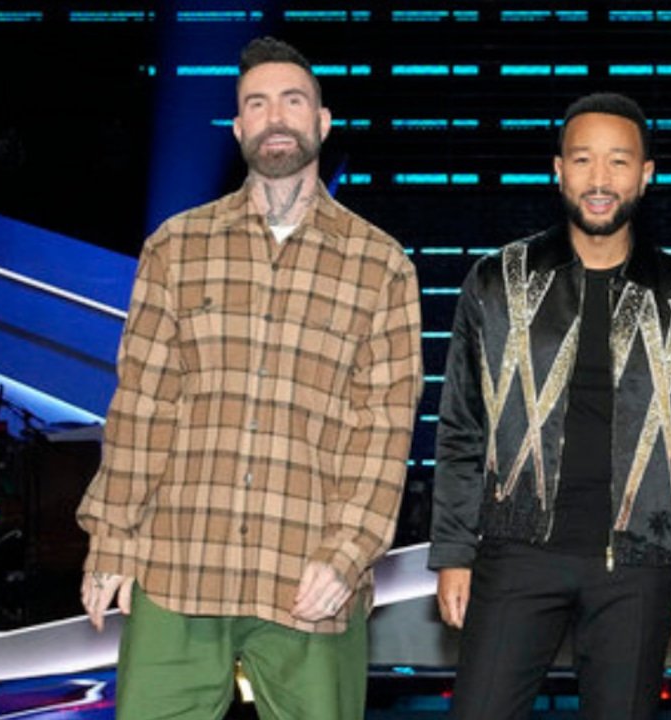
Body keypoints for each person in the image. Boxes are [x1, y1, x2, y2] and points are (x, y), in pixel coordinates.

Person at [76, 36, 423, 719]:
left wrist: (347, 554)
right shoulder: (177, 247)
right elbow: (143, 404)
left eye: (293, 101)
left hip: (307, 572)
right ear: (238, 128)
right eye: (257, 104)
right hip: (180, 564)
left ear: (322, 122)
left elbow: (383, 430)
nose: (276, 117)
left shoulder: (380, 265)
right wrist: (111, 537)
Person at [429, 92, 671, 720]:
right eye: (583, 159)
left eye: (619, 161)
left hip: (639, 565)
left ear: (645, 174)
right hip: (516, 552)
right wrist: (454, 552)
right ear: (558, 169)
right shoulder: (496, 281)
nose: (600, 179)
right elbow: (461, 429)